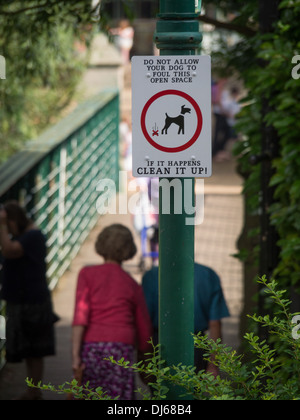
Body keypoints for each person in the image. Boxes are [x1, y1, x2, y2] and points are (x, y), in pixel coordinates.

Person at [72, 224, 152, 400]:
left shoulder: (86, 274)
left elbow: (80, 316)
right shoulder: (132, 284)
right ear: (129, 249)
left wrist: (75, 355)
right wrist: (145, 358)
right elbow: (144, 330)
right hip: (121, 347)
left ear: (101, 245)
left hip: (92, 346)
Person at [0, 201, 56, 400]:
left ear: (14, 220)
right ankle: (33, 390)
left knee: (35, 350)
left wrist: (2, 225)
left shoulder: (33, 236)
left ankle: (34, 391)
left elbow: (8, 250)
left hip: (32, 301)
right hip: (24, 300)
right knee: (30, 350)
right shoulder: (28, 236)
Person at [142, 262, 230, 376]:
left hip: (159, 344)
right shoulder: (207, 275)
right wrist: (213, 365)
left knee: (160, 391)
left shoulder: (151, 276)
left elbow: (145, 322)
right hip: (195, 346)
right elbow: (215, 324)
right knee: (192, 390)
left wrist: (145, 360)